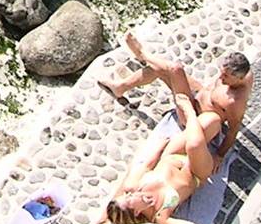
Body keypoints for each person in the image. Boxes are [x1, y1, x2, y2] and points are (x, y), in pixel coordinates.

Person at [104, 38, 251, 182]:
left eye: (226, 76)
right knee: (160, 69)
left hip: (194, 118)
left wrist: (219, 155)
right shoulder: (244, 73)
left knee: (175, 69)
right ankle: (120, 87)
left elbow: (233, 130)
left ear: (239, 79)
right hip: (198, 94)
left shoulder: (235, 102)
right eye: (222, 72)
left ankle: (143, 54)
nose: (221, 77)